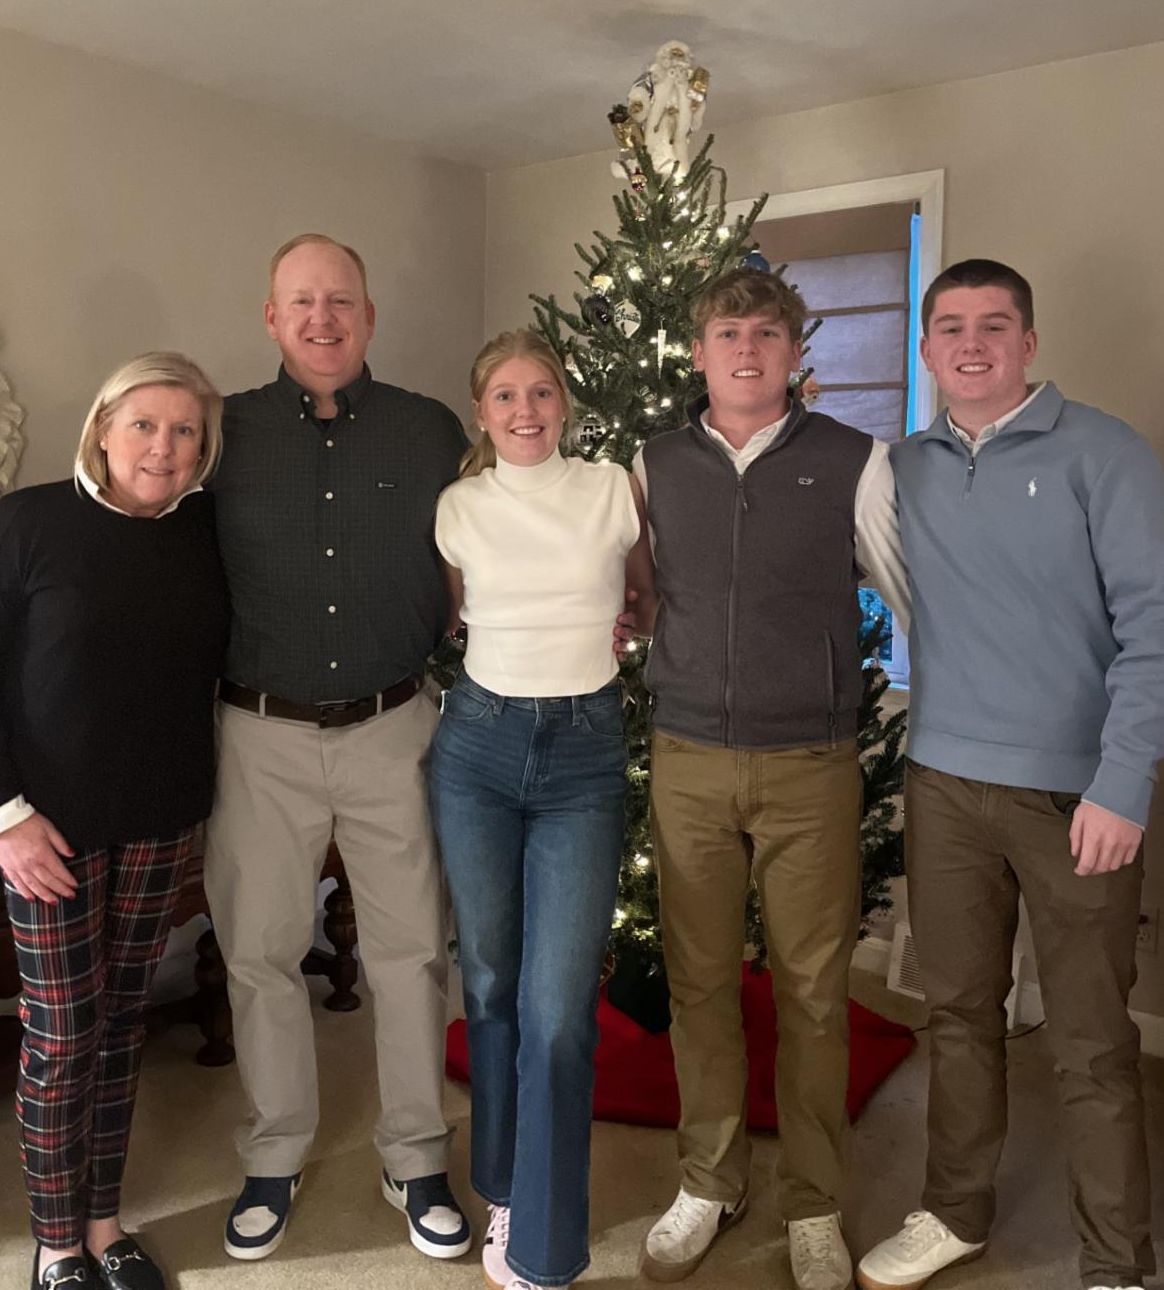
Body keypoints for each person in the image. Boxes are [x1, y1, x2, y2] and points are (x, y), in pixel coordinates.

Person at [856, 259, 1164, 1290]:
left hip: (1078, 795)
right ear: (927, 350)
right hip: (943, 783)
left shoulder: (1104, 454)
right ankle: (954, 1212)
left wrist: (1124, 782)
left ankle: (1116, 1260)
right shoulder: (904, 469)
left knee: (1091, 1040)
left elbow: (1155, 625)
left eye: (995, 325)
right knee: (957, 1016)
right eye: (950, 327)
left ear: (1028, 343)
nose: (972, 343)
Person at [634, 267, 909, 1290]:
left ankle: (814, 1203)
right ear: (698, 352)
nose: (745, 349)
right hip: (689, 757)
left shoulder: (854, 459)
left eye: (765, 333)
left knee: (815, 994)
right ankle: (711, 1182)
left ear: (795, 352)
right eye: (727, 333)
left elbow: (915, 594)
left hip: (810, 766)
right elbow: (628, 590)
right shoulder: (653, 462)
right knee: (700, 984)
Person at [203, 233, 470, 1263]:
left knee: (410, 951)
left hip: (393, 726)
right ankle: (274, 1153)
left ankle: (415, 1155)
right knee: (260, 952)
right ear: (272, 317)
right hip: (256, 733)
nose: (323, 319)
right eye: (303, 302)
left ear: (369, 315)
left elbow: (481, 544)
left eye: (342, 301)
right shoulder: (222, 433)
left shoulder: (429, 429)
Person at [428, 329, 654, 1290]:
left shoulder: (613, 490)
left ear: (566, 402)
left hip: (583, 752)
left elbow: (645, 601)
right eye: (506, 396)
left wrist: (627, 624)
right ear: (481, 412)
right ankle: (504, 1190)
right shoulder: (458, 507)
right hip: (477, 746)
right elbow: (452, 617)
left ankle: (547, 1250)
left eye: (542, 392)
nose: (526, 411)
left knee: (557, 1009)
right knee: (488, 981)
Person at [0, 353, 229, 1290]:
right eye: (143, 425)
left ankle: (104, 1225)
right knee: (62, 1034)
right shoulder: (28, 522)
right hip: (45, 829)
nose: (162, 447)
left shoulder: (206, 533)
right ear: (101, 429)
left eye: (184, 431)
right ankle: (56, 1246)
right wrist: (6, 816)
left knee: (122, 1023)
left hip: (161, 819)